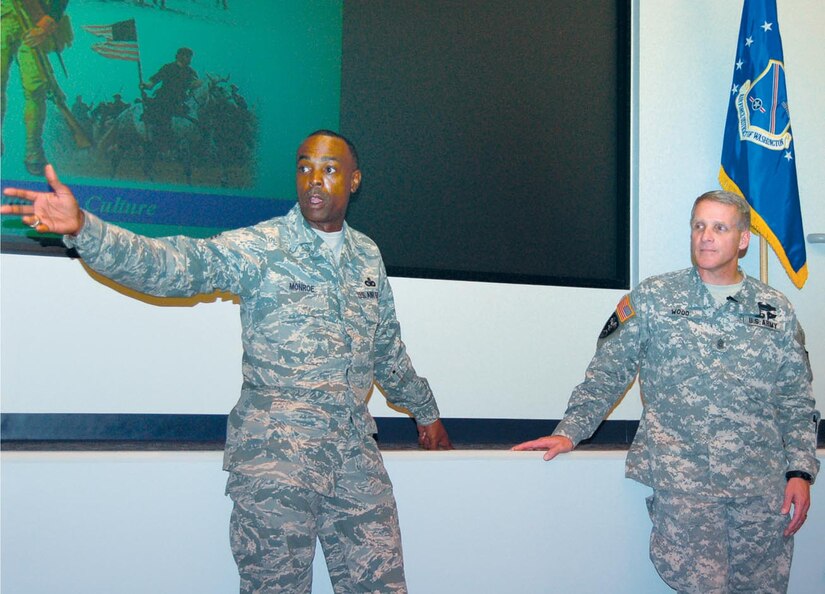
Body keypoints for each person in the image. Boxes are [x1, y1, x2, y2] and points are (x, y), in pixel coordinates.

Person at [2, 130, 453, 593]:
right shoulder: (262, 246)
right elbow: (175, 265)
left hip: (354, 451)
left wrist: (426, 411)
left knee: (383, 586)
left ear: (354, 181)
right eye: (304, 167)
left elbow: (386, 349)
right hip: (278, 457)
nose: (314, 179)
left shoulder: (366, 255)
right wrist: (85, 230)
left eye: (330, 169)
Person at [513, 190, 819, 594]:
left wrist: (800, 471)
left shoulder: (775, 310)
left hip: (760, 491)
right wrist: (570, 430)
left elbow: (796, 399)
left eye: (719, 228)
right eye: (699, 226)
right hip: (687, 488)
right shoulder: (654, 298)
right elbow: (608, 372)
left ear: (743, 240)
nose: (706, 237)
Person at [1, 0, 67, 175]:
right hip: (2, 19)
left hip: (33, 21)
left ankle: (33, 150)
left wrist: (45, 27)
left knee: (35, 89)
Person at [139, 47, 200, 149]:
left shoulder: (191, 72)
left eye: (190, 57)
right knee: (160, 118)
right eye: (187, 56)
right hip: (164, 99)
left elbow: (194, 85)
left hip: (181, 100)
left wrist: (198, 84)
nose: (189, 59)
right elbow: (155, 80)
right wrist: (146, 85)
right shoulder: (168, 67)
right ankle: (157, 140)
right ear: (179, 56)